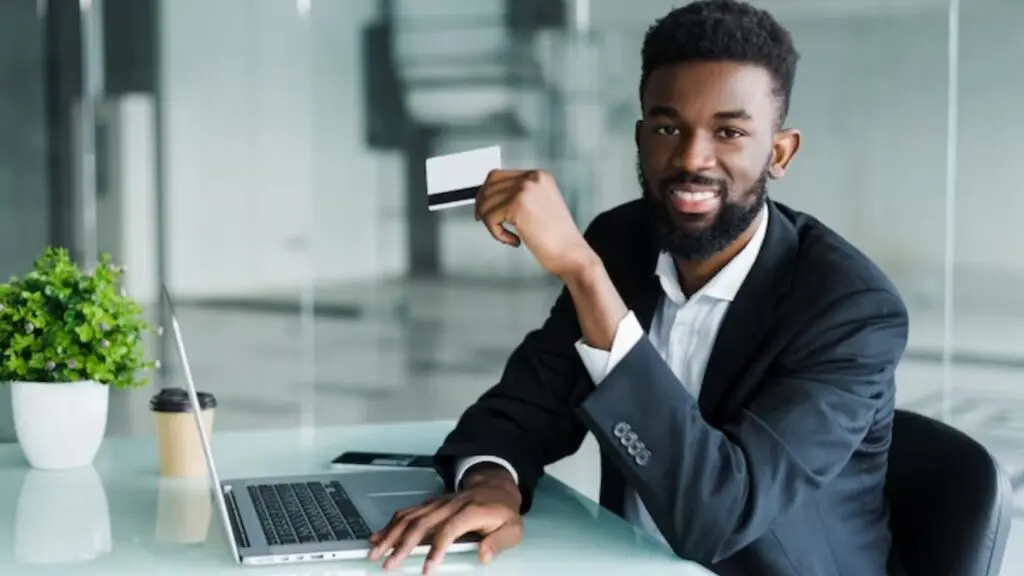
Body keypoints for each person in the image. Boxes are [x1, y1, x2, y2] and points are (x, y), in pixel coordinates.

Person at [370, 1, 908, 575]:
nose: (691, 159)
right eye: (668, 127)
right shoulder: (623, 243)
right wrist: (491, 484)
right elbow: (519, 411)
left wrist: (583, 273)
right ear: (640, 137)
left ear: (779, 152)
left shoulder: (850, 310)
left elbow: (718, 518)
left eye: (729, 132)